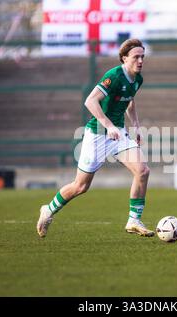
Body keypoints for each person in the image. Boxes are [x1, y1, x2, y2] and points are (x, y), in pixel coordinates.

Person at [37, 38, 154, 238]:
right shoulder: (114, 75)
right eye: (136, 57)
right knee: (81, 186)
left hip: (119, 134)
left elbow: (130, 102)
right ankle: (48, 210)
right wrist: (108, 126)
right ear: (124, 58)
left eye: (142, 56)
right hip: (98, 134)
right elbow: (90, 101)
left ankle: (133, 220)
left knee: (142, 171)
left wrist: (135, 126)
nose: (140, 60)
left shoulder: (138, 79)